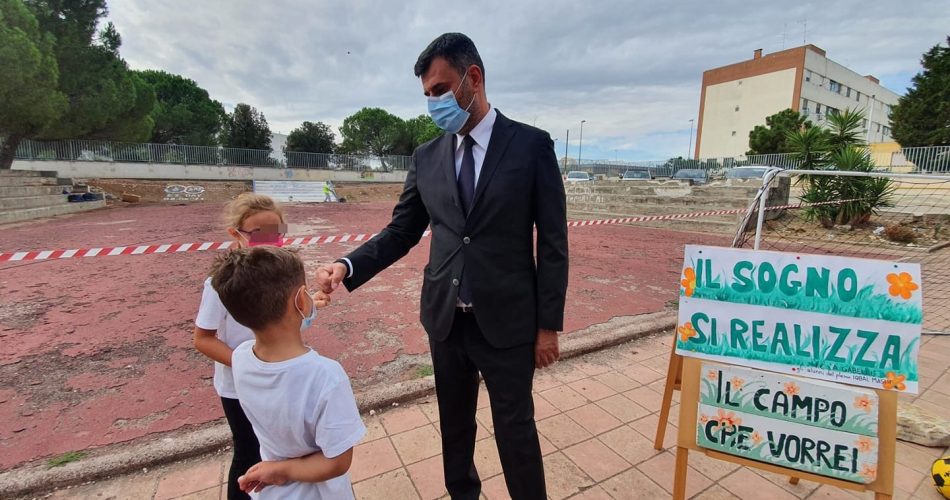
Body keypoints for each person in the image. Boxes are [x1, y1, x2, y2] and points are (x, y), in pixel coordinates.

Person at [317, 32, 568, 499]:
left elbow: (553, 243)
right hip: (446, 320)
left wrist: (547, 326)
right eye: (427, 95)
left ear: (473, 78)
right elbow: (401, 232)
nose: (434, 103)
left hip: (509, 322)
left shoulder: (531, 146)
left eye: (440, 89)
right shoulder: (427, 157)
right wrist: (347, 266)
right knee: (454, 429)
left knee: (516, 431)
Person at [211, 246, 365, 499]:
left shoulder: (240, 357)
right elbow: (338, 461)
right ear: (301, 300)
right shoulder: (326, 376)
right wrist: (282, 471)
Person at [193, 193, 288, 499]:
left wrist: (309, 306)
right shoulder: (219, 284)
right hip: (239, 387)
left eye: (276, 233)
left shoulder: (278, 274)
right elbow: (203, 338)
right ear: (236, 233)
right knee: (248, 452)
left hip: (277, 380)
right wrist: (248, 364)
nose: (270, 241)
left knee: (277, 449)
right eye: (260, 234)